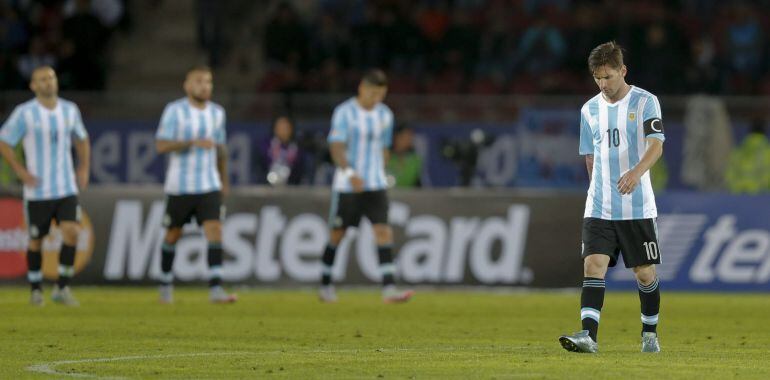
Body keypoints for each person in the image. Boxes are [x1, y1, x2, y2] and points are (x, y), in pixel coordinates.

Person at [559, 42, 664, 353]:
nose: (603, 84)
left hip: (637, 205)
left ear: (623, 71)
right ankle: (588, 336)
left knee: (644, 273)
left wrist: (636, 172)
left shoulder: (646, 102)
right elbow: (589, 154)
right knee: (593, 265)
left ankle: (649, 333)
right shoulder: (588, 109)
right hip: (600, 205)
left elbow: (656, 144)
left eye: (608, 77)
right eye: (597, 78)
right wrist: (597, 187)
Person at [319, 69, 414, 304]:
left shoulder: (385, 115)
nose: (377, 99)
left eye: (381, 95)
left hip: (375, 184)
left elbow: (384, 147)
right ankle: (325, 284)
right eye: (373, 93)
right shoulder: (344, 112)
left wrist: (380, 169)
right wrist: (350, 173)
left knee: (383, 231)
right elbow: (336, 147)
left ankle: (389, 288)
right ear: (362, 88)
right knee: (337, 234)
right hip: (348, 185)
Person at [0, 66, 90, 307]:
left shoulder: (70, 110)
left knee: (72, 232)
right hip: (38, 190)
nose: (47, 82)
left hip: (66, 187)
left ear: (56, 82)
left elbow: (81, 139)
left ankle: (62, 287)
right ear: (33, 85)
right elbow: (4, 141)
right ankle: (36, 290)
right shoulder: (25, 113)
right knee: (36, 240)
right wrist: (20, 171)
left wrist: (83, 168)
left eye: (50, 78)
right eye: (41, 79)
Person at [155, 66, 236, 304]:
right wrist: (191, 142)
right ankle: (166, 284)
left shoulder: (217, 113)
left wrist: (224, 179)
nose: (205, 86)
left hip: (208, 183)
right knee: (173, 234)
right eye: (200, 82)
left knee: (215, 231)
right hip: (179, 185)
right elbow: (161, 145)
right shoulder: (174, 111)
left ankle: (216, 289)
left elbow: (220, 149)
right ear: (187, 86)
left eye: (209, 82)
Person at [259, 115, 304, 185]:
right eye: (280, 127)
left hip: (291, 186)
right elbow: (261, 167)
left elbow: (299, 171)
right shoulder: (266, 145)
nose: (283, 130)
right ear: (275, 129)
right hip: (268, 185)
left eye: (286, 128)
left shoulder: (297, 147)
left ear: (291, 129)